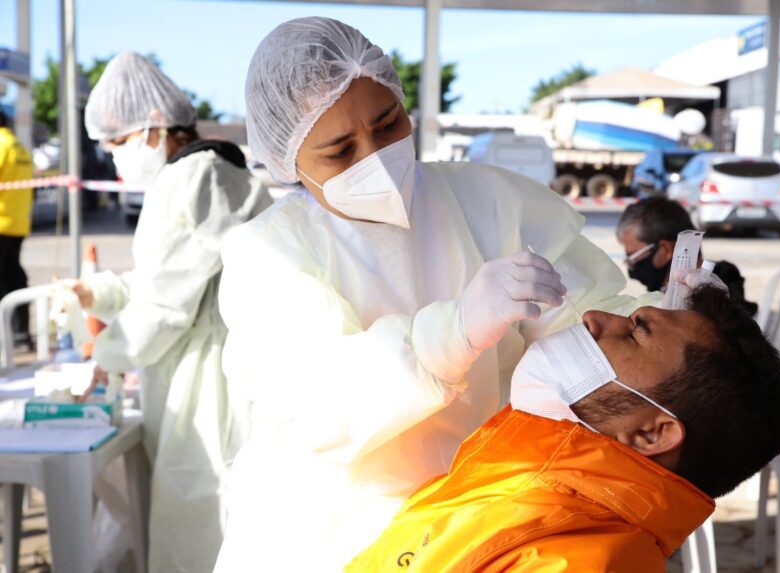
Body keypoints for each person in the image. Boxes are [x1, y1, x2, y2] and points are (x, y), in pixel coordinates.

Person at [214, 17, 672, 572]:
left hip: (483, 501)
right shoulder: (271, 253)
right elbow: (312, 404)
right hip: (337, 525)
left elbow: (591, 319)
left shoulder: (490, 199)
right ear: (287, 163)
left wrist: (668, 321)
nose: (375, 158)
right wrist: (447, 337)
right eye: (339, 153)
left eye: (388, 125)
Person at [348, 285, 780, 572]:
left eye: (633, 333)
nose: (594, 318)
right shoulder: (519, 476)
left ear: (651, 433)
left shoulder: (580, 561)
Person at [74, 52, 272, 573]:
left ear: (155, 128)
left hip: (208, 381)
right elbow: (171, 274)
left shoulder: (193, 177)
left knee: (201, 515)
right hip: (212, 363)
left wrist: (107, 355)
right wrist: (102, 292)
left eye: (117, 142)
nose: (114, 156)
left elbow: (166, 305)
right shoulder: (213, 170)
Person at [617, 197, 758, 316]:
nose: (631, 266)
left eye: (633, 257)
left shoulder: (718, 293)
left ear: (666, 249)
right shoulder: (663, 292)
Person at [0, 108, 34, 348]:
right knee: (13, 276)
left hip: (1, 222)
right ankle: (21, 335)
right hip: (18, 222)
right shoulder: (19, 147)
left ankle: (9, 336)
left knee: (6, 278)